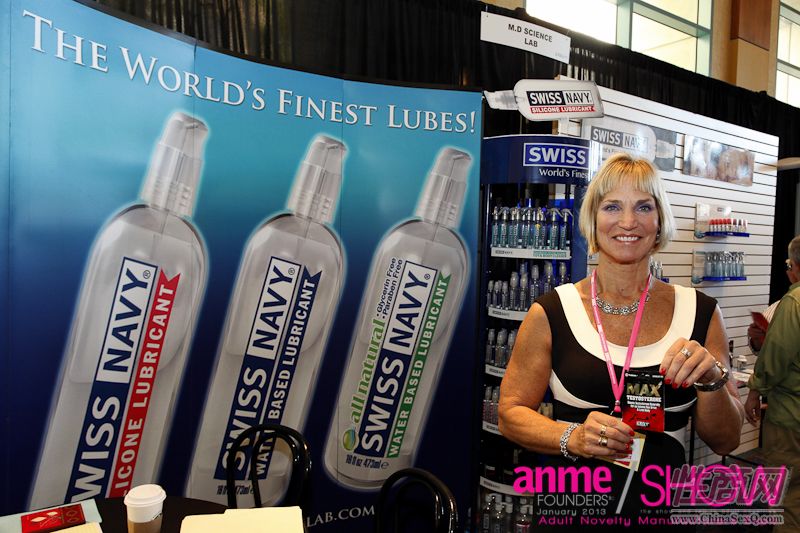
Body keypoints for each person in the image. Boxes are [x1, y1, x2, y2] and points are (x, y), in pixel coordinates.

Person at [499, 153, 744, 525]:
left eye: (644, 207)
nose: (628, 222)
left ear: (659, 222)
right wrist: (572, 436)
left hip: (662, 515)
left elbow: (726, 440)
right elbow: (510, 414)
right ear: (593, 220)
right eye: (612, 206)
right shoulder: (551, 312)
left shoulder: (701, 312)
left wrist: (711, 380)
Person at [745, 235, 800, 531]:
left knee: (787, 494)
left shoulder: (793, 302)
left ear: (794, 266)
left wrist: (755, 390)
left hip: (791, 417)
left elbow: (775, 358)